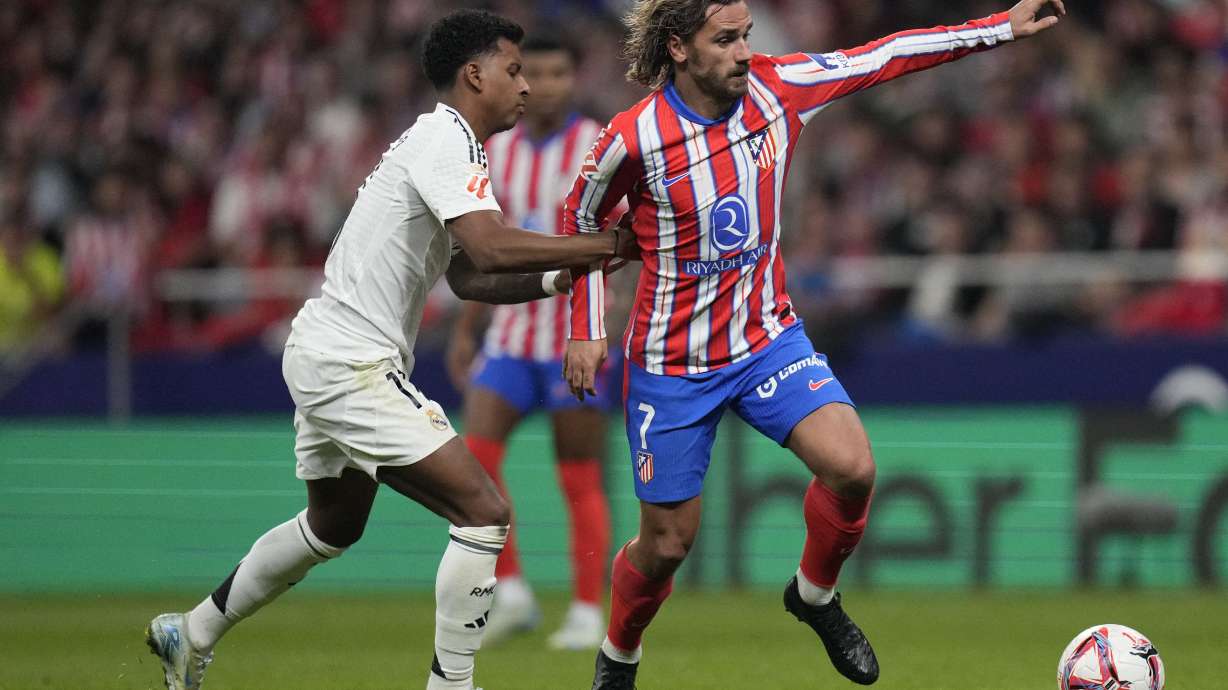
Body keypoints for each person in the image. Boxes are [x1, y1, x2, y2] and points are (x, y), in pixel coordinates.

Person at [559, 1, 1065, 687]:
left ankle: (814, 594)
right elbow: (580, 215)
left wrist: (1002, 25)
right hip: (673, 363)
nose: (743, 52)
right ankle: (619, 654)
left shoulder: (779, 88)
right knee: (667, 545)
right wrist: (586, 325)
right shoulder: (635, 136)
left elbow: (890, 54)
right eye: (725, 39)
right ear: (677, 48)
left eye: (746, 37)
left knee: (853, 467)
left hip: (767, 337)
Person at [144, 10, 636, 690]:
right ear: (475, 74)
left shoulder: (448, 144)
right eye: (514, 70)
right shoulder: (447, 139)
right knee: (485, 512)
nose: (525, 87)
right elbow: (491, 246)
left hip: (325, 348)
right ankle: (452, 685)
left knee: (333, 525)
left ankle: (189, 631)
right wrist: (607, 245)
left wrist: (563, 275)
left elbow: (468, 273)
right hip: (351, 360)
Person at [446, 34, 616, 651]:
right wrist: (468, 329)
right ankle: (512, 591)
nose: (543, 85)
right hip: (513, 338)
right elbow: (482, 249)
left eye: (556, 73)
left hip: (573, 339)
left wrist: (602, 330)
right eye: (533, 73)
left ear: (573, 77)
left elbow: (619, 243)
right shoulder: (500, 150)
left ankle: (585, 611)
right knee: (475, 460)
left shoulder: (600, 144)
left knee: (578, 478)